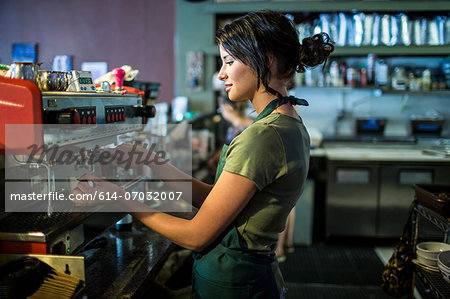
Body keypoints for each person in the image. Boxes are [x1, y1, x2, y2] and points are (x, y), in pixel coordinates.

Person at [74, 10, 333, 298]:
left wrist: (117, 196)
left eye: (229, 62)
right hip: (250, 277)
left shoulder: (262, 136)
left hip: (233, 284)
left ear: (267, 59)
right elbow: (217, 199)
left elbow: (196, 236)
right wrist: (151, 161)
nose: (222, 74)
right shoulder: (289, 122)